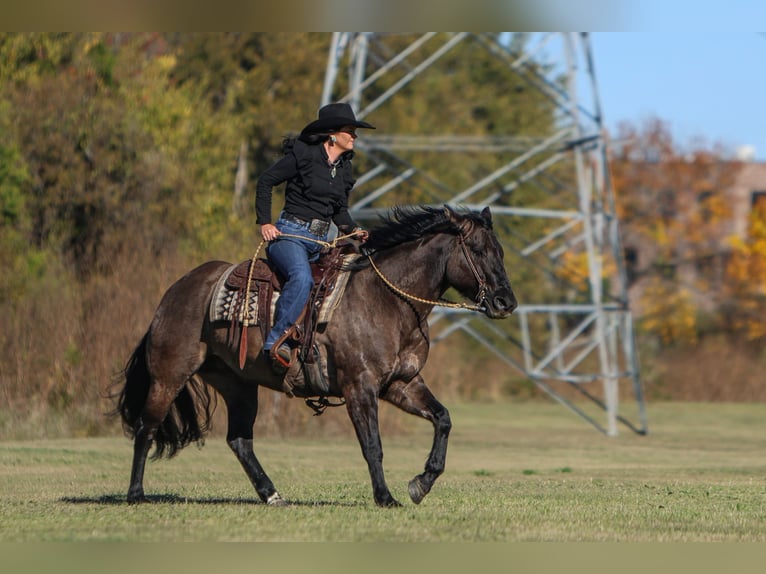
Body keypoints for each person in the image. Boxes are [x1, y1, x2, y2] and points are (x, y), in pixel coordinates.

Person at [255, 102, 374, 372]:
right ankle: (275, 343)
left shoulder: (344, 168)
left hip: (321, 242)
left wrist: (354, 230)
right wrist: (264, 222)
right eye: (350, 131)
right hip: (289, 237)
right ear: (332, 134)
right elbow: (266, 181)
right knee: (302, 277)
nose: (354, 136)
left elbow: (340, 212)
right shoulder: (304, 155)